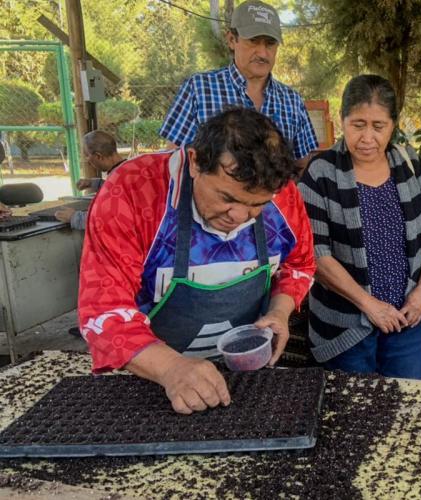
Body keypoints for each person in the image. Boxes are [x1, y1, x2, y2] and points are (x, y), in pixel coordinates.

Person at [78, 107, 316, 414]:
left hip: (241, 380)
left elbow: (299, 265)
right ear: (194, 161)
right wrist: (170, 368)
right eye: (227, 198)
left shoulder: (281, 193)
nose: (240, 217)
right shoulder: (133, 189)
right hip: (150, 382)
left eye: (256, 205)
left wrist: (280, 311)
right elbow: (104, 310)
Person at [298, 75, 421, 379]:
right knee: (356, 411)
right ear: (342, 120)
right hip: (346, 325)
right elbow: (316, 253)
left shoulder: (409, 163)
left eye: (378, 126)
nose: (367, 137)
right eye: (358, 124)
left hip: (408, 316)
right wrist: (369, 304)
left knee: (404, 403)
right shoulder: (321, 173)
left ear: (393, 125)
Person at [159, 0, 318, 168]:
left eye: (270, 43)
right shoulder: (198, 89)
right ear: (231, 40)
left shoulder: (292, 101)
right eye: (253, 41)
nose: (263, 53)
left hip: (277, 194)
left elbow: (302, 165)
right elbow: (175, 161)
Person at [55, 130, 126, 229]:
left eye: (87, 155)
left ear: (98, 156)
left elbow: (110, 219)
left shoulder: (118, 178)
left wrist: (75, 217)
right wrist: (94, 183)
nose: (87, 161)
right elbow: (118, 189)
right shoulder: (126, 170)